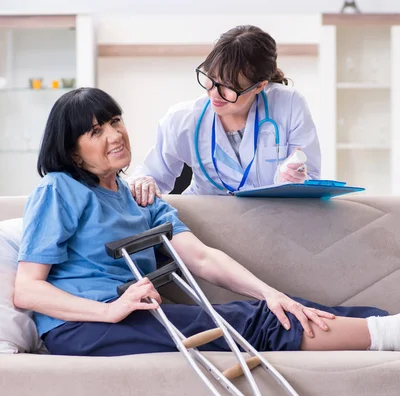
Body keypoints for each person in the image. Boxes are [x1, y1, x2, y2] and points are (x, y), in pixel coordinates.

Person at [14, 87, 399, 357]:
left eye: (115, 121)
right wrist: (108, 311)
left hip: (130, 317)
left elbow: (200, 258)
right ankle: (385, 335)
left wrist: (269, 292)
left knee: (282, 307)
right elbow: (27, 291)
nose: (115, 135)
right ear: (72, 152)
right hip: (85, 329)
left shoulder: (139, 196)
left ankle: (387, 326)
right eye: (96, 131)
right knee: (258, 324)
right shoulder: (59, 189)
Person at [129, 25, 321, 206]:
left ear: (260, 86)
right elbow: (151, 177)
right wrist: (143, 181)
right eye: (211, 79)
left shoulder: (288, 105)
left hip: (273, 218)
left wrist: (293, 180)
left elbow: (311, 177)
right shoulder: (183, 120)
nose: (214, 93)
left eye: (229, 87)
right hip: (209, 220)